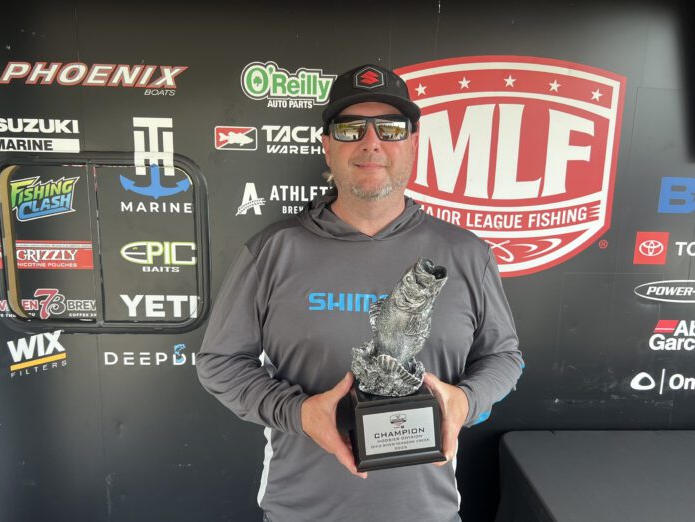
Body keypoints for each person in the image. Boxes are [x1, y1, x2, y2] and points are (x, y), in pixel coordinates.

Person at [197, 63, 524, 522]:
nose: (371, 142)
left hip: (426, 513)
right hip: (302, 514)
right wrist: (298, 413)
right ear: (327, 146)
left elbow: (504, 357)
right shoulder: (272, 251)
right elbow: (219, 362)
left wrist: (466, 401)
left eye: (390, 129)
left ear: (413, 144)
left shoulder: (467, 254)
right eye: (351, 129)